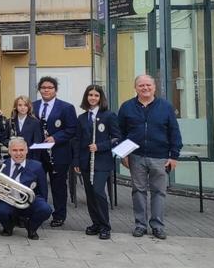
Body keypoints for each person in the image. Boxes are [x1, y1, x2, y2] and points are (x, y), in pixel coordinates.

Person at [118, 74, 182, 240]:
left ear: (154, 87)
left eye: (148, 85)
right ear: (135, 88)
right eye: (141, 85)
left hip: (160, 157)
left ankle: (158, 226)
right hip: (136, 156)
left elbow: (174, 132)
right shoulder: (126, 107)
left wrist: (174, 156)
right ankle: (140, 225)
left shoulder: (166, 107)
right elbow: (120, 133)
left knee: (159, 192)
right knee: (138, 191)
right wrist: (123, 154)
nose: (145, 88)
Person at [73, 85, 121, 240]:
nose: (93, 98)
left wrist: (99, 146)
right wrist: (77, 161)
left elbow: (116, 138)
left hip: (102, 162)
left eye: (96, 95)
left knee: (98, 192)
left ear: (101, 98)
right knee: (90, 194)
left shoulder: (108, 116)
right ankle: (96, 223)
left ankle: (105, 225)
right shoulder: (82, 118)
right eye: (90, 95)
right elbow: (77, 141)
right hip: (86, 162)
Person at [32, 76, 77, 228]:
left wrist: (55, 138)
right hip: (38, 154)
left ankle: (59, 215)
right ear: (39, 89)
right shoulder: (33, 106)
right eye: (43, 87)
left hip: (58, 154)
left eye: (50, 87)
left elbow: (71, 129)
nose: (46, 90)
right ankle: (38, 212)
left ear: (55, 90)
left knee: (58, 186)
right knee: (37, 185)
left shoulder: (66, 107)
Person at [0, 138, 52, 240]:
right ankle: (8, 227)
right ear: (9, 151)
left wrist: (41, 203)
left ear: (26, 151)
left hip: (28, 202)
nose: (18, 153)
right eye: (15, 150)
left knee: (46, 209)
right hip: (7, 201)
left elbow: (43, 190)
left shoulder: (37, 166)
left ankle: (31, 228)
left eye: (21, 150)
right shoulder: (1, 165)